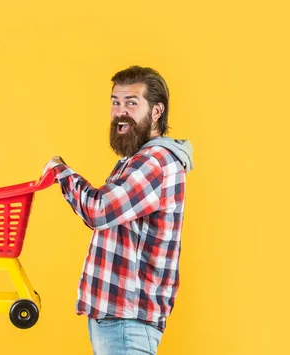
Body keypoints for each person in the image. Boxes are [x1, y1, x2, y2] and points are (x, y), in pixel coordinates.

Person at [42, 66, 194, 355]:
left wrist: (60, 172)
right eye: (116, 102)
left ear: (157, 111)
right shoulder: (137, 160)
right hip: (119, 319)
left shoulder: (154, 162)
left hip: (128, 321)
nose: (120, 112)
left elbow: (99, 210)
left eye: (131, 103)